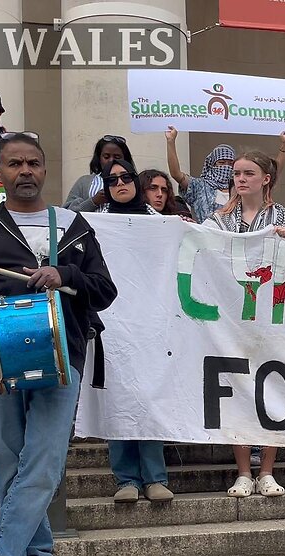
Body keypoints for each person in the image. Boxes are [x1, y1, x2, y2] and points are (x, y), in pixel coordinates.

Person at [0, 133, 117, 556]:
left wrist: (67, 275)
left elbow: (106, 290)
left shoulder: (74, 226)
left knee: (44, 456)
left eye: (34, 163)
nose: (26, 171)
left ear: (45, 170)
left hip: (63, 353)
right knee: (6, 452)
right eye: (16, 164)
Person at [203, 151, 285, 499]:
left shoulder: (281, 216)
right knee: (238, 390)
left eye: (248, 173)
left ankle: (267, 470)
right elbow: (204, 247)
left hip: (271, 316)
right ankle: (244, 471)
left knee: (273, 389)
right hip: (233, 317)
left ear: (265, 178)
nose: (240, 179)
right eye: (237, 174)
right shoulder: (218, 218)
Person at [96, 160, 179, 504]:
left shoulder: (160, 224)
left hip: (151, 322)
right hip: (113, 323)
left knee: (148, 396)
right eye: (111, 179)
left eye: (126, 177)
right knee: (118, 399)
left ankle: (154, 477)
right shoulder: (94, 223)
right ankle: (126, 478)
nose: (120, 183)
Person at [167, 128, 285, 224]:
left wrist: (284, 147)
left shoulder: (243, 187)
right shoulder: (200, 187)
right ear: (212, 164)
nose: (226, 167)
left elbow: (270, 172)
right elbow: (176, 174)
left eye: (230, 163)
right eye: (221, 163)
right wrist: (171, 142)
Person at [64, 135, 134, 213]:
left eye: (117, 157)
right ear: (99, 158)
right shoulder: (84, 182)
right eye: (106, 157)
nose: (111, 160)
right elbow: (67, 213)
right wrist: (94, 201)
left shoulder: (133, 181)